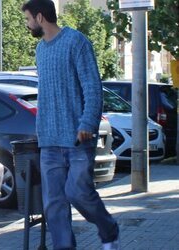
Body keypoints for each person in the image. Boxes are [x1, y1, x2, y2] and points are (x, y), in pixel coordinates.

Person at [22, 0, 120, 249]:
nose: (27, 24)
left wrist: (88, 122)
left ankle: (109, 230)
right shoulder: (41, 50)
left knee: (79, 194)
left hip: (78, 138)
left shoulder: (76, 41)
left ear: (40, 17)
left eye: (28, 19)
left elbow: (92, 86)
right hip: (49, 141)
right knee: (53, 204)